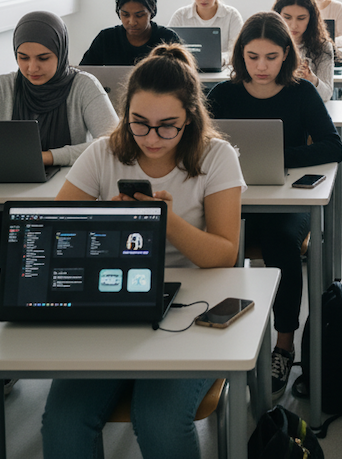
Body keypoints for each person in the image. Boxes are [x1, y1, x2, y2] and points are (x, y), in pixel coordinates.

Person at [42, 43, 244, 459]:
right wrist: (109, 224)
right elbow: (54, 233)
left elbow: (225, 254)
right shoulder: (103, 153)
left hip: (191, 309)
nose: (152, 138)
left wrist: (165, 223)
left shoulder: (217, 156)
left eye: (167, 126)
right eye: (139, 124)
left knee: (159, 420)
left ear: (190, 117)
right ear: (125, 114)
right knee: (63, 424)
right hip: (111, 299)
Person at [206, 12, 342, 399]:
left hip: (286, 199)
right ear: (240, 55)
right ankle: (219, 333)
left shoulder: (301, 93)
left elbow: (333, 146)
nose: (261, 66)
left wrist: (280, 157)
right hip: (233, 196)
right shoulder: (222, 94)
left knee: (280, 243)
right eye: (252, 57)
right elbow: (197, 144)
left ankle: (284, 344)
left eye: (271, 57)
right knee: (215, 242)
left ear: (286, 55)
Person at [0, 11, 119, 265]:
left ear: (61, 52)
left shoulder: (84, 86)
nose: (32, 68)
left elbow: (113, 142)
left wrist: (50, 157)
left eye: (43, 58)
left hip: (65, 201)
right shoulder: (2, 87)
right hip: (6, 200)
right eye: (23, 57)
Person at [80, 0, 180, 66]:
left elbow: (184, 76)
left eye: (139, 15)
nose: (132, 22)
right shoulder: (106, 39)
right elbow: (84, 74)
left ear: (152, 10)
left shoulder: (168, 39)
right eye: (125, 15)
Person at [168, 0, 244, 64]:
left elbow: (237, 51)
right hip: (187, 69)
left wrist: (219, 60)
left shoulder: (232, 16)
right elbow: (169, 48)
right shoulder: (180, 16)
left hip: (223, 69)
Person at [272, 0, 334, 102]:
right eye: (287, 17)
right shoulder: (268, 43)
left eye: (301, 18)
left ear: (311, 18)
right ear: (277, 15)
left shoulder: (323, 47)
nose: (293, 25)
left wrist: (312, 79)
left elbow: (326, 95)